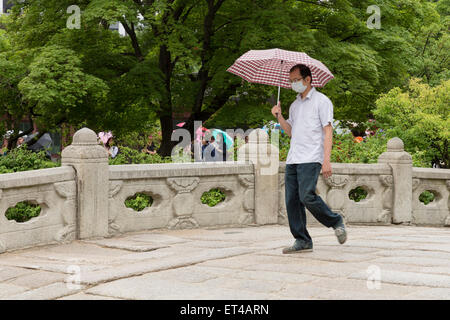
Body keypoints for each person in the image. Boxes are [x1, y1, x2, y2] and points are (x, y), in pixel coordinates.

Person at [271, 64, 347, 254]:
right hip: (293, 158)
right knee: (291, 201)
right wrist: (279, 117)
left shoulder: (322, 101)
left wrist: (326, 160)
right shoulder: (294, 105)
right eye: (291, 81)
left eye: (296, 80)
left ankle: (335, 220)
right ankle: (302, 240)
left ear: (308, 79)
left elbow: (328, 131)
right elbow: (291, 132)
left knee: (307, 196)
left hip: (311, 157)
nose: (293, 84)